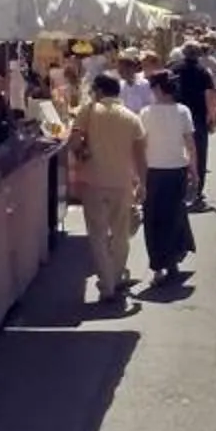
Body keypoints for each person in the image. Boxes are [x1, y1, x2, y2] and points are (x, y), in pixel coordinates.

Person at [68, 68, 147, 312]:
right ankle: (115, 276)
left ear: (99, 91)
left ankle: (108, 284)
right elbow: (140, 156)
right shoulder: (132, 118)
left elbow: (72, 142)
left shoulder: (89, 111)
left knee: (98, 235)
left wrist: (83, 155)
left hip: (93, 182)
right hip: (122, 183)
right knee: (120, 235)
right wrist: (143, 183)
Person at [137, 70, 199, 285]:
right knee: (174, 216)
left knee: (153, 219)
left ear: (156, 89)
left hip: (152, 170)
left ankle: (157, 266)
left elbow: (141, 144)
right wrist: (194, 170)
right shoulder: (183, 111)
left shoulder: (145, 113)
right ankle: (172, 259)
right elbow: (191, 145)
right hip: (177, 169)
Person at [171, 37, 216, 209]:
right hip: (197, 117)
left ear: (183, 53)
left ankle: (180, 187)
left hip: (176, 116)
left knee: (178, 152)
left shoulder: (174, 69)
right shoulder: (203, 72)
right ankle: (197, 190)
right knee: (198, 154)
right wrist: (211, 117)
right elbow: (211, 96)